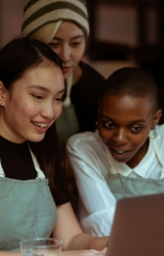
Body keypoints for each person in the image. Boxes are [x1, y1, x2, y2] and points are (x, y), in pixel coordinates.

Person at [0, 36, 108, 256]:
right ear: (1, 93)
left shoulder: (45, 152)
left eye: (58, 98)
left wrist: (105, 246)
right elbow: (62, 254)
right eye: (38, 96)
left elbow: (70, 239)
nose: (50, 112)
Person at [66, 67, 164, 237]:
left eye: (135, 128)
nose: (119, 139)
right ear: (100, 110)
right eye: (109, 124)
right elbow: (108, 227)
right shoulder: (84, 147)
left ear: (155, 119)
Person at [21, 0, 106, 146]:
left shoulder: (96, 89)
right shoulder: (8, 77)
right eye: (53, 44)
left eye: (75, 43)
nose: (66, 56)